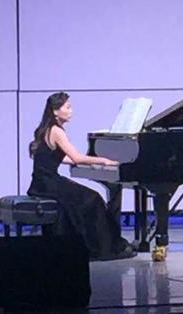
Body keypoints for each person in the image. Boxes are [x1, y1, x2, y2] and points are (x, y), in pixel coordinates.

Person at [27, 91, 136, 260]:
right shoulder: (57, 131)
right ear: (55, 111)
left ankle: (98, 243)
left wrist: (88, 163)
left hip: (41, 183)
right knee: (93, 199)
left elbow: (54, 157)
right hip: (50, 184)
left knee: (84, 199)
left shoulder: (45, 129)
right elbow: (77, 157)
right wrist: (103, 161)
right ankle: (103, 248)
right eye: (67, 107)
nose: (71, 111)